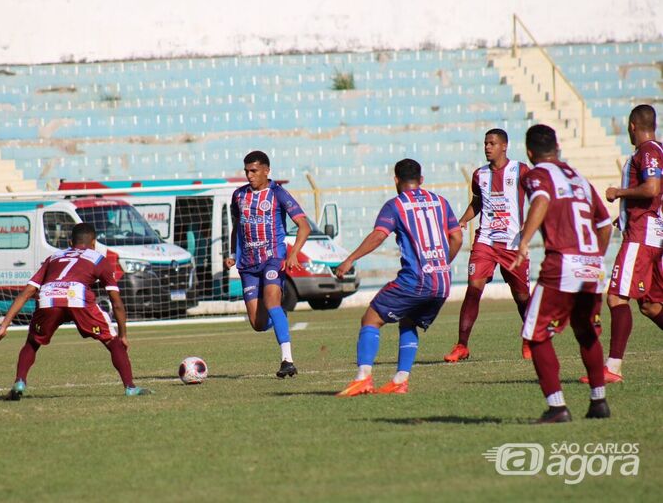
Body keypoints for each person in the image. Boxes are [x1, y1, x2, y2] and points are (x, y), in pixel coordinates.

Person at [334, 158, 463, 396]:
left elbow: (378, 235)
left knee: (371, 319)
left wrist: (350, 259)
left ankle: (363, 378)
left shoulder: (396, 205)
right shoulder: (441, 202)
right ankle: (400, 381)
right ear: (421, 180)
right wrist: (442, 264)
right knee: (408, 321)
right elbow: (457, 238)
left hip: (415, 280)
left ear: (396, 180)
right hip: (442, 282)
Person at [511, 124, 612, 423]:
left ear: (530, 152)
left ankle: (557, 408)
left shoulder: (537, 174)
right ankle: (599, 401)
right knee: (586, 331)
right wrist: (593, 257)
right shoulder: (578, 177)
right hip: (592, 265)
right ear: (557, 147)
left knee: (536, 334)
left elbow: (541, 200)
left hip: (562, 264)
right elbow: (604, 224)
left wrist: (525, 240)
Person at [0, 223, 151, 399]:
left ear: (70, 241)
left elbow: (27, 292)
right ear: (94, 242)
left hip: (49, 297)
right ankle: (130, 387)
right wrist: (123, 335)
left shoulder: (54, 257)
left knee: (32, 343)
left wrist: (4, 326)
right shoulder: (98, 259)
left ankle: (20, 381)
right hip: (77, 297)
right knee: (113, 342)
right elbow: (116, 303)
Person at [583, 104, 663, 383]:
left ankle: (613, 368)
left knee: (617, 296)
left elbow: (652, 188)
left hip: (641, 236)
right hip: (649, 232)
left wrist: (619, 193)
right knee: (651, 306)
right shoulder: (658, 150)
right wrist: (625, 215)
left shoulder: (648, 151)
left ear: (632, 126)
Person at [444, 128, 532, 362]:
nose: (487, 147)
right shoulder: (479, 175)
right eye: (485, 143)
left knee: (522, 296)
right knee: (473, 288)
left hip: (513, 244)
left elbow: (538, 199)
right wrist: (463, 220)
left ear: (504, 146)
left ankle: (529, 338)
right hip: (486, 241)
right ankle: (462, 345)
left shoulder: (521, 170)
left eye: (492, 143)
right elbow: (478, 201)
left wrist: (529, 229)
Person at [224, 150, 311, 377]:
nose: (249, 175)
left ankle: (287, 360)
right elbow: (237, 226)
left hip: (273, 258)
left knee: (272, 300)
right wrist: (232, 253)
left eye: (253, 171)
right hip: (248, 264)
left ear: (266, 170)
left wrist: (292, 255)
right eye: (246, 171)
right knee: (257, 323)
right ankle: (278, 318)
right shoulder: (238, 195)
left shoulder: (278, 194)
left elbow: (304, 226)